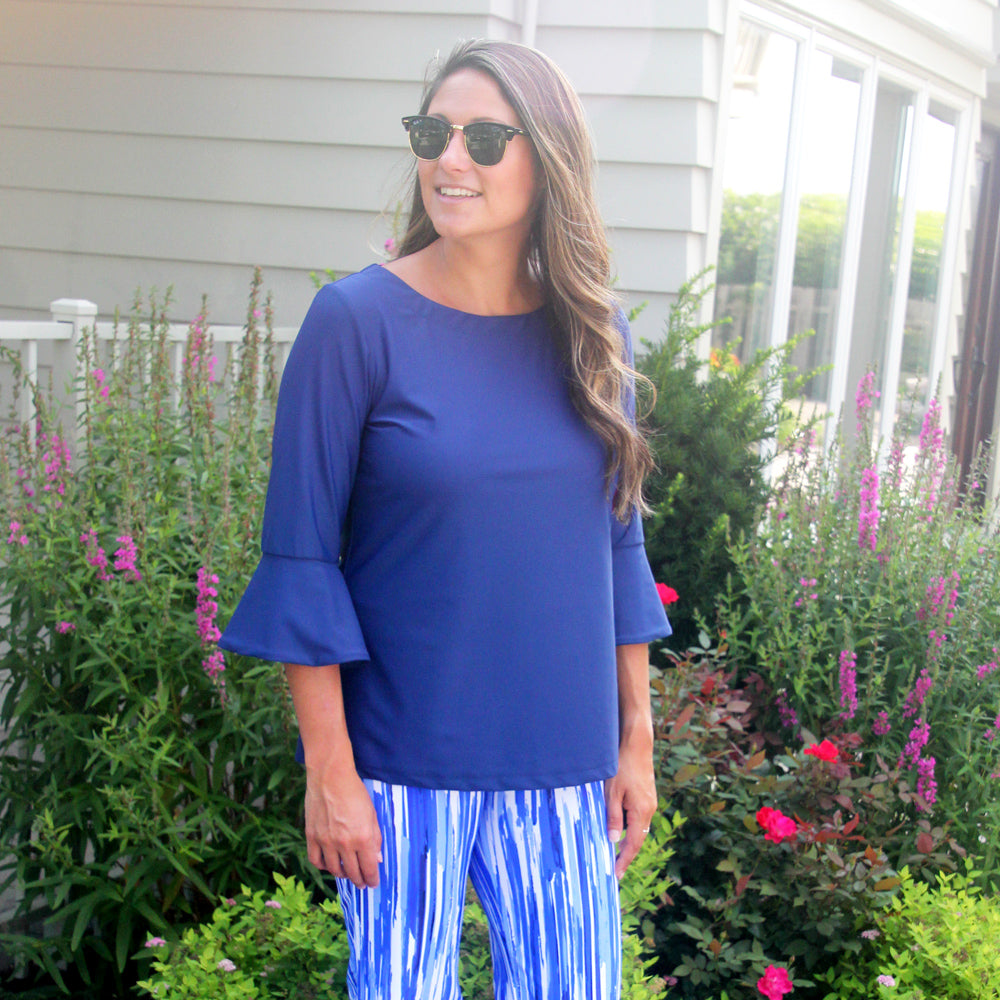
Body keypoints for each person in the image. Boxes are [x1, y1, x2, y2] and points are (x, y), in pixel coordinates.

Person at [219, 38, 671, 1000]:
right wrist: (329, 770)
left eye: (486, 139)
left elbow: (617, 547)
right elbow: (302, 560)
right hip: (399, 772)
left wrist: (635, 738)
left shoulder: (596, 335)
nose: (450, 159)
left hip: (565, 770)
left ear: (547, 158)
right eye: (434, 133)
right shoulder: (354, 323)